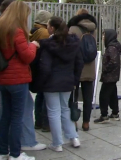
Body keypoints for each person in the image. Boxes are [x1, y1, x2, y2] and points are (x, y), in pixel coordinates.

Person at [0, 1, 39, 160]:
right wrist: (33, 45)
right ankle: (15, 154)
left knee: (4, 116)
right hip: (18, 79)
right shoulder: (17, 31)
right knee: (17, 117)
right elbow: (27, 57)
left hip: (2, 77)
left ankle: (1, 152)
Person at [37, 16, 83, 152]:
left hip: (51, 82)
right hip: (68, 80)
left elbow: (45, 67)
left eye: (47, 26)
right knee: (65, 109)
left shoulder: (47, 45)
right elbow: (79, 63)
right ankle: (74, 137)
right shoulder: (74, 43)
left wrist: (41, 82)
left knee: (53, 112)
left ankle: (57, 143)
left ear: (52, 28)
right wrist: (75, 80)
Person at [67, 8, 97, 131]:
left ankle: (74, 122)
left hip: (76, 67)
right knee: (88, 97)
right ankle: (86, 122)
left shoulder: (72, 29)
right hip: (90, 66)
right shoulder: (93, 29)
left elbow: (69, 48)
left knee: (73, 97)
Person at [0, 0, 14, 136]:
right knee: (14, 111)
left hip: (3, 70)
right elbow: (25, 53)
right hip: (11, 72)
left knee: (2, 103)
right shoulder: (12, 28)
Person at [29, 10, 53, 132]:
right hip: (43, 65)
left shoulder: (33, 30)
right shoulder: (44, 32)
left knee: (40, 95)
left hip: (35, 65)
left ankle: (38, 121)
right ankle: (45, 123)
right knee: (44, 95)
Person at [94, 29, 121, 123]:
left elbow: (113, 62)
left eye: (104, 35)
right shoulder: (113, 46)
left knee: (104, 95)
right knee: (113, 94)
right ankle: (115, 113)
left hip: (109, 76)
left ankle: (104, 115)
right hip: (113, 76)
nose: (103, 38)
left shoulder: (111, 47)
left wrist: (105, 69)